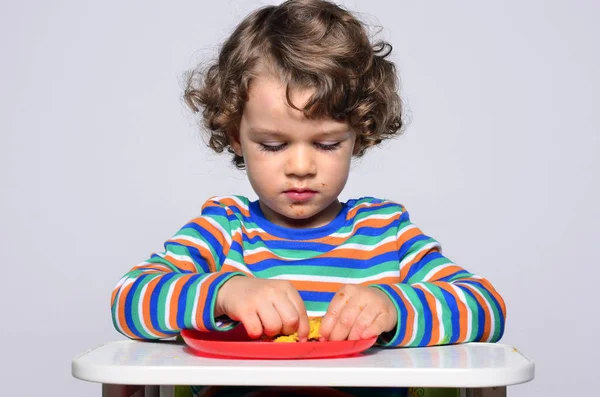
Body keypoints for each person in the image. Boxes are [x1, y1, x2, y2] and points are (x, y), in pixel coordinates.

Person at [111, 1, 506, 396]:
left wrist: (393, 307)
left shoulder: (385, 232)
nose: (301, 166)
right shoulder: (225, 229)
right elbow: (129, 300)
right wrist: (224, 292)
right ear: (235, 134)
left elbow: (486, 307)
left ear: (357, 135)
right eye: (272, 144)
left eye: (328, 143)